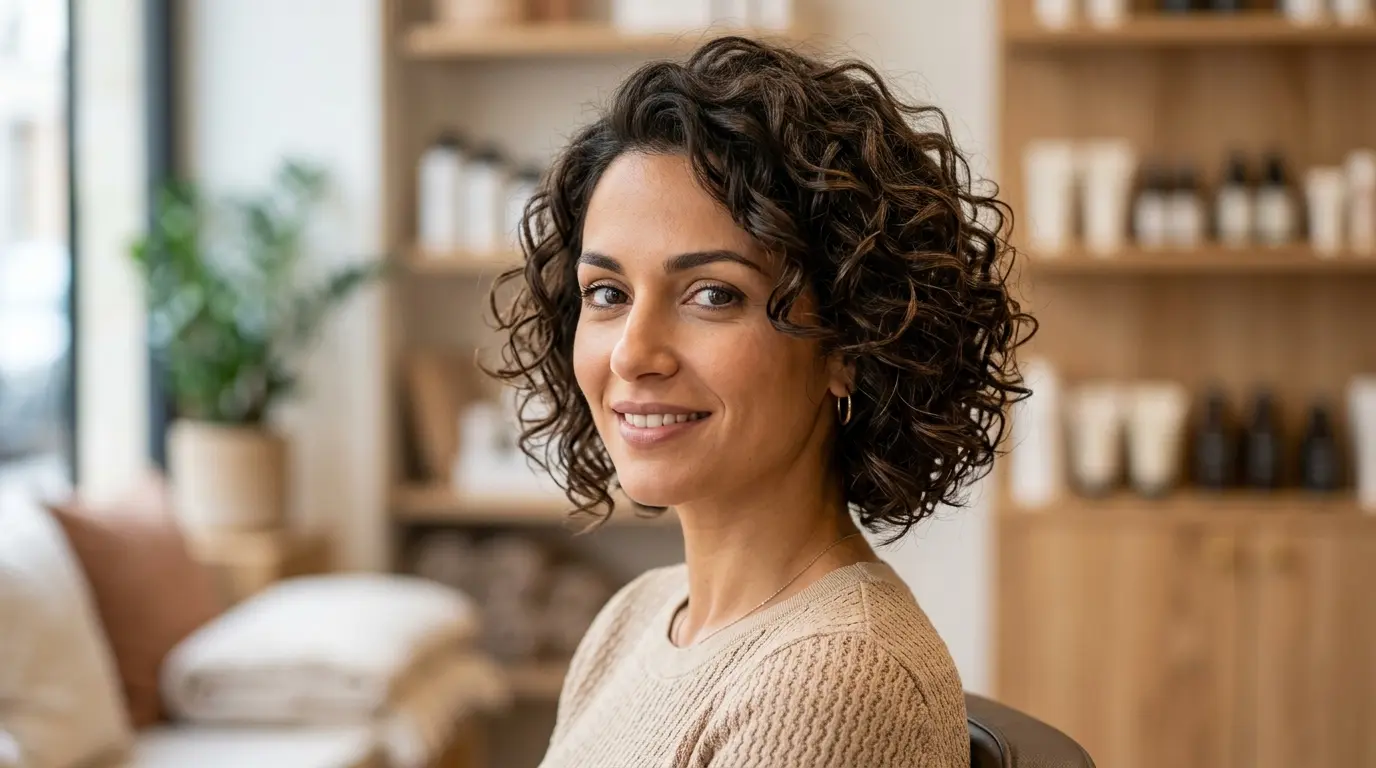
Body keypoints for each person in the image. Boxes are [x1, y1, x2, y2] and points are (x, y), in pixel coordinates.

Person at [488, 35, 1034, 768]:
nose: (632, 353)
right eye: (607, 294)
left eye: (713, 294)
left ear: (849, 341)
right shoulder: (636, 617)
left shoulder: (836, 683)